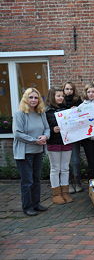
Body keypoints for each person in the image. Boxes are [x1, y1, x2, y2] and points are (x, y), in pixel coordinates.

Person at [13, 88, 50, 216]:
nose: (33, 100)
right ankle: (27, 207)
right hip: (24, 153)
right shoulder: (20, 114)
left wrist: (45, 136)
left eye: (36, 97)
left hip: (38, 151)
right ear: (25, 99)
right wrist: (35, 140)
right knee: (27, 181)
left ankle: (36, 204)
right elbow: (18, 134)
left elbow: (47, 128)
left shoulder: (41, 112)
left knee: (36, 179)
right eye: (31, 97)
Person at [45, 87, 73, 205]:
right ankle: (56, 193)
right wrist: (52, 130)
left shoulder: (66, 109)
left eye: (62, 96)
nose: (61, 97)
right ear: (52, 97)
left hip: (66, 141)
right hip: (54, 142)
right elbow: (43, 128)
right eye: (58, 96)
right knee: (55, 168)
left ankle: (65, 191)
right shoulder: (47, 112)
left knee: (65, 168)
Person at [62, 82, 83, 194]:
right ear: (63, 90)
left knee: (75, 161)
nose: (69, 91)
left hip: (75, 135)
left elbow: (83, 116)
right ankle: (69, 183)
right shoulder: (60, 101)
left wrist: (77, 110)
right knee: (65, 161)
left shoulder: (78, 102)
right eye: (66, 89)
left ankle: (77, 182)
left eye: (71, 89)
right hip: (63, 136)